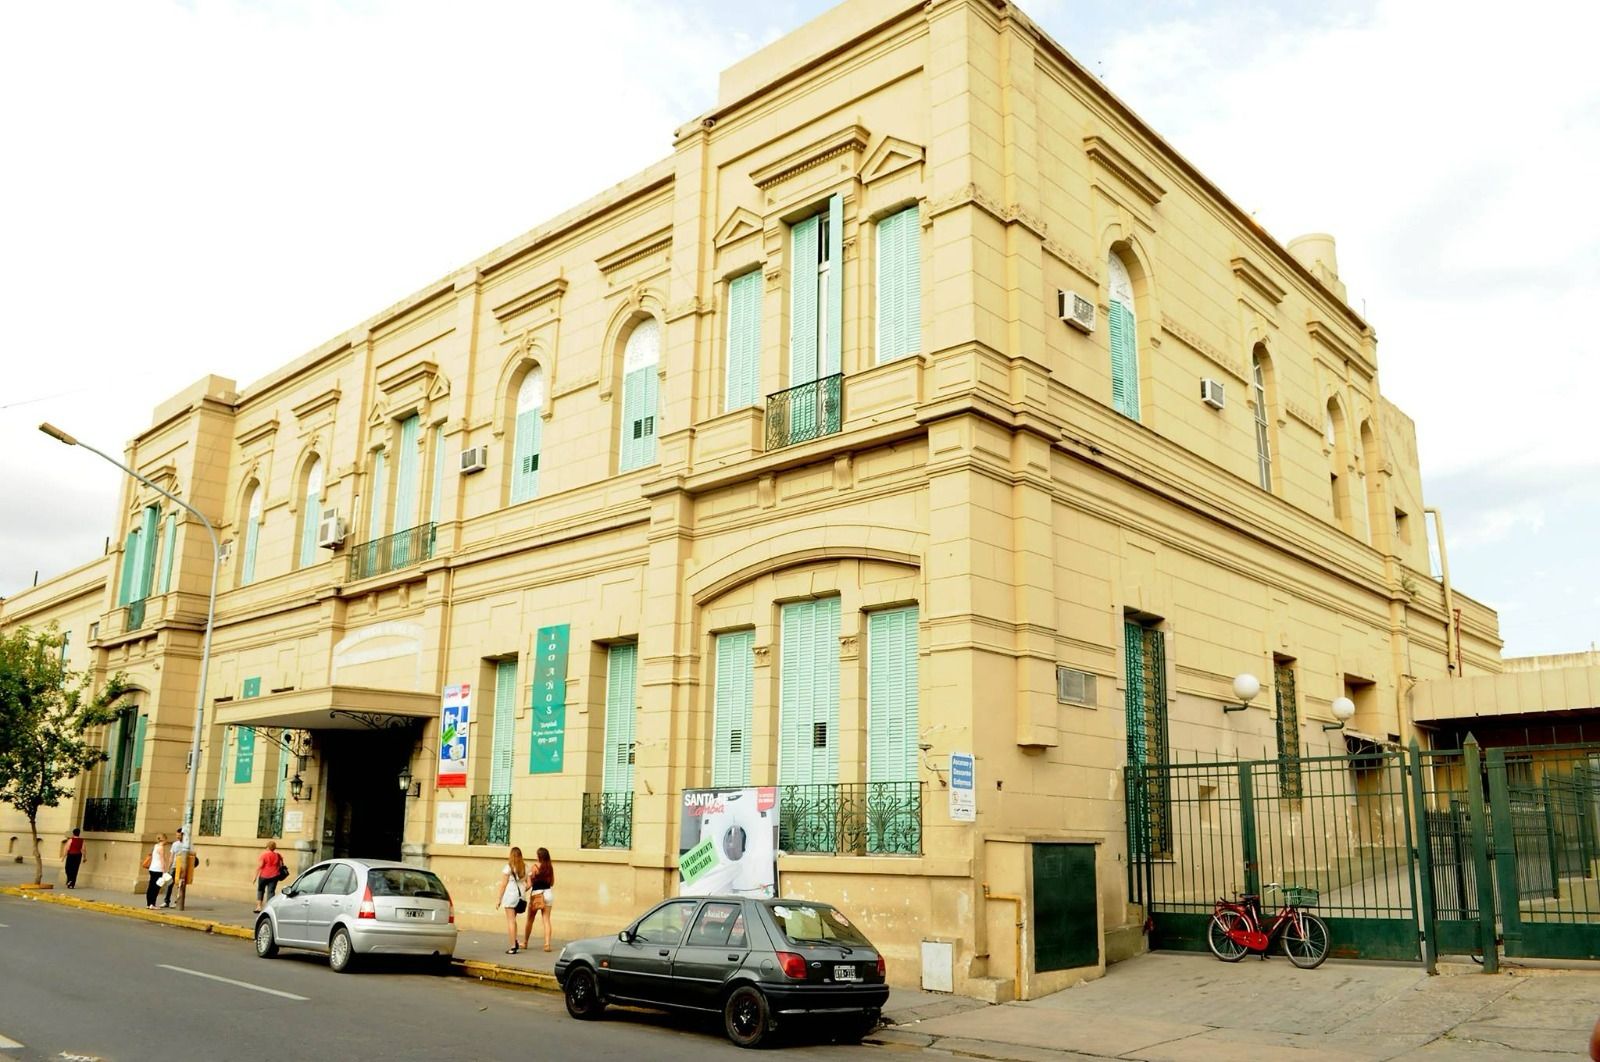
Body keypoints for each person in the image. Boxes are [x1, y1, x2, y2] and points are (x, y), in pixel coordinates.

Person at [521, 847, 556, 952]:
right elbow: (552, 883)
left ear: (539, 857)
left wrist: (522, 890)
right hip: (548, 894)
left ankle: (525, 942)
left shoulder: (534, 867)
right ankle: (547, 944)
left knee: (530, 919)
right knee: (546, 920)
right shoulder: (550, 867)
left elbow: (529, 884)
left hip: (537, 894)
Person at [497, 846, 527, 954]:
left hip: (510, 895)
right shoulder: (525, 867)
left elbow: (503, 885)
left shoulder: (508, 867)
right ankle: (515, 941)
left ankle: (513, 946)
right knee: (514, 920)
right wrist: (523, 891)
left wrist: (499, 899)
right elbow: (528, 883)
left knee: (510, 921)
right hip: (520, 896)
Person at [163, 827, 193, 908]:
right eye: (176, 835)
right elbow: (171, 856)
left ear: (183, 835)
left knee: (179, 885)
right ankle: (166, 901)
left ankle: (177, 902)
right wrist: (168, 867)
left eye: (179, 835)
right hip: (174, 866)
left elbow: (192, 855)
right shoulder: (175, 844)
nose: (177, 837)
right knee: (169, 883)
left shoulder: (188, 844)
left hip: (182, 867)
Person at [254, 840, 286, 913]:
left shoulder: (264, 855)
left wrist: (255, 876)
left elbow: (260, 866)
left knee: (260, 890)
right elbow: (281, 865)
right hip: (274, 876)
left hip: (263, 876)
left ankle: (259, 907)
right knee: (271, 892)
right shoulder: (278, 855)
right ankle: (268, 907)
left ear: (268, 847)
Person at [144, 833, 171, 909]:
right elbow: (162, 859)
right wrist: (164, 870)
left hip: (152, 868)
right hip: (158, 869)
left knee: (151, 886)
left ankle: (149, 904)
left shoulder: (155, 846)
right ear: (164, 839)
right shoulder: (161, 848)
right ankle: (153, 904)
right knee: (156, 887)